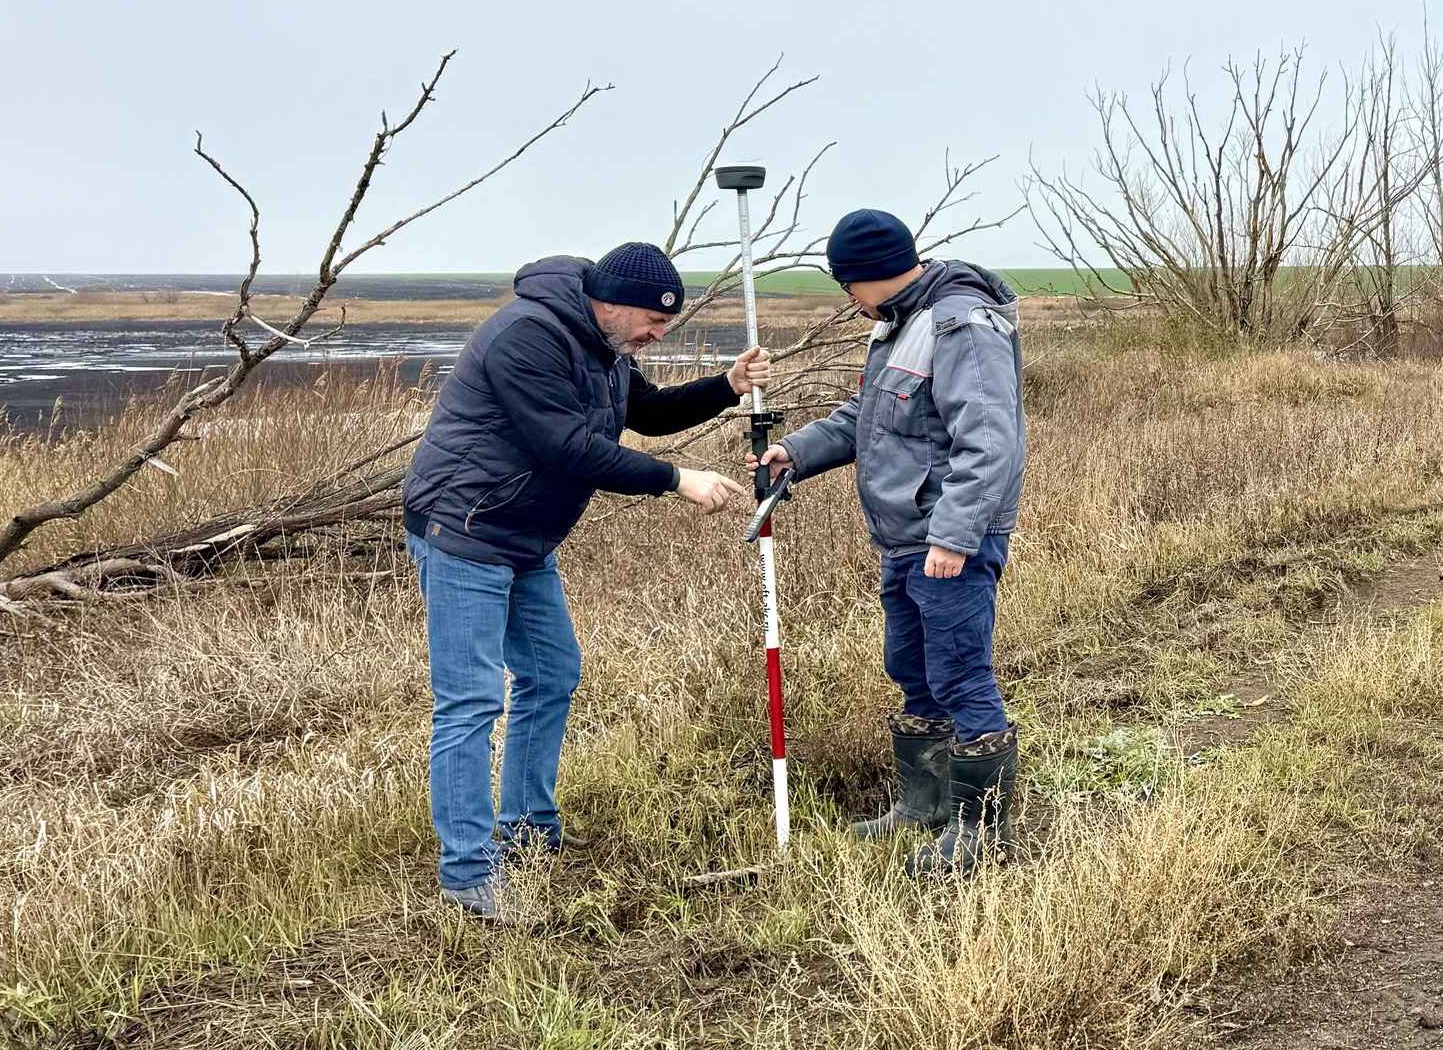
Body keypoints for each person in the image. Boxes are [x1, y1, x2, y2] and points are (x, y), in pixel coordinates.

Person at [404, 242, 771, 922]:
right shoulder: (528, 336)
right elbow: (566, 447)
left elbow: (649, 412)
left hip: (521, 535)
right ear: (612, 302)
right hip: (464, 529)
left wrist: (726, 386)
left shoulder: (603, 344)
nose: (658, 336)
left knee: (551, 673)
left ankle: (527, 832)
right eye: (653, 323)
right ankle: (467, 876)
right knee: (471, 701)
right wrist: (675, 478)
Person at [749, 210, 1024, 875]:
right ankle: (922, 805)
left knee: (959, 672)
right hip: (907, 539)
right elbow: (868, 419)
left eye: (846, 286)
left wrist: (955, 535)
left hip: (947, 537)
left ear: (859, 278)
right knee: (912, 669)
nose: (848, 300)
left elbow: (989, 440)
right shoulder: (902, 323)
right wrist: (796, 450)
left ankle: (981, 831)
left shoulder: (960, 321)